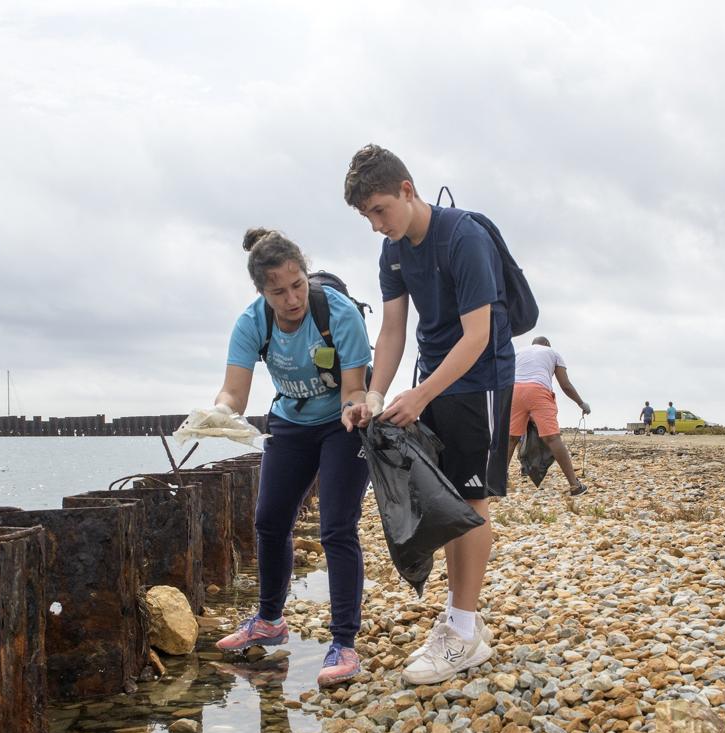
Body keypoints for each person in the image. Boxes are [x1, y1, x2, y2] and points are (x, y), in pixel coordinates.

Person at [342, 144, 511, 685]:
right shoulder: (392, 252)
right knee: (444, 496)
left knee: (472, 497)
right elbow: (393, 330)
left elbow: (479, 335)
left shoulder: (463, 236)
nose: (375, 224)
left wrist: (419, 396)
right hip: (434, 376)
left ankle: (462, 631)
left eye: (379, 210)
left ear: (407, 190)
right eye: (366, 215)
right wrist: (375, 394)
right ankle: (462, 620)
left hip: (480, 377)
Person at [209, 228, 373, 688]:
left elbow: (354, 388)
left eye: (297, 284)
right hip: (291, 421)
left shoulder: (337, 312)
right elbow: (234, 393)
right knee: (269, 521)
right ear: (261, 291)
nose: (293, 298)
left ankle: (344, 642)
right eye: (278, 291)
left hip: (344, 421)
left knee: (337, 526)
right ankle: (268, 619)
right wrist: (217, 414)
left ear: (305, 275)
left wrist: (354, 410)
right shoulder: (251, 322)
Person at [507, 336, 590, 495]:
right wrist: (581, 403)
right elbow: (565, 385)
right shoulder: (553, 352)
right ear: (546, 344)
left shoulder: (518, 352)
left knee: (511, 438)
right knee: (552, 438)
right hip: (539, 391)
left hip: (514, 391)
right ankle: (575, 485)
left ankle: (498, 482)